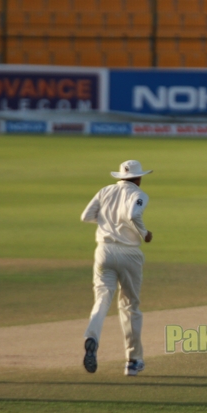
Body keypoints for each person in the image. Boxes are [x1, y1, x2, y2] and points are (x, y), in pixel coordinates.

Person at [81, 160, 153, 377]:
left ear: (120, 176)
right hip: (129, 253)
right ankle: (133, 361)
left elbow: (86, 216)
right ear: (138, 178)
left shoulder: (105, 191)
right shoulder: (139, 194)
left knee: (102, 299)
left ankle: (92, 337)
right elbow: (133, 214)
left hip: (103, 250)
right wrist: (144, 233)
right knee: (130, 306)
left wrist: (107, 223)